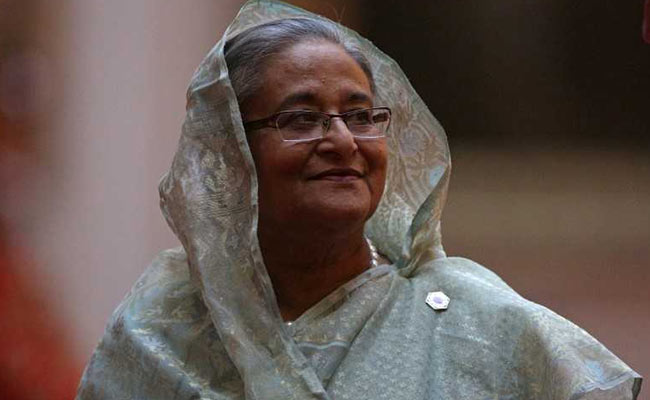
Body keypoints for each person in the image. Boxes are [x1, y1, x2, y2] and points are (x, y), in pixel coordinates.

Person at [76, 1, 642, 399]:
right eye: (301, 118)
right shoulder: (163, 329)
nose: (344, 141)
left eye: (361, 116)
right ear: (230, 154)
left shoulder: (481, 326)